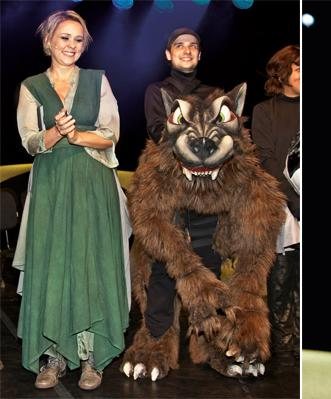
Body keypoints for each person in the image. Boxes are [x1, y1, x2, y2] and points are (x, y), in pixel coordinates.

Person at [14, 10, 130, 391]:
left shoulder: (97, 81)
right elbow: (30, 141)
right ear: (49, 41)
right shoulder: (31, 85)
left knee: (92, 264)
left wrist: (76, 135)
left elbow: (111, 134)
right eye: (64, 38)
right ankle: (53, 357)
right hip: (51, 185)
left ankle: (91, 358)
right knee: (53, 264)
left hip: (93, 183)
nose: (72, 46)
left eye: (78, 40)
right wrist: (53, 134)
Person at [125, 27, 223, 379]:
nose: (186, 51)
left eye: (193, 46)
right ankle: (156, 343)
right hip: (168, 193)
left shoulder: (214, 94)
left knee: (207, 263)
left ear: (200, 55)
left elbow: (227, 139)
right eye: (179, 46)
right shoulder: (157, 91)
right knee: (164, 269)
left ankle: (208, 342)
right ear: (168, 54)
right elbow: (158, 130)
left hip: (207, 194)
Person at [250, 44, 300, 367]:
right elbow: (266, 160)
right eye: (297, 67)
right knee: (282, 276)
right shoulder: (264, 111)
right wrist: (295, 201)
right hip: (282, 206)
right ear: (281, 73)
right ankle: (284, 343)